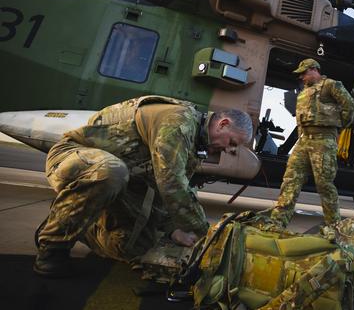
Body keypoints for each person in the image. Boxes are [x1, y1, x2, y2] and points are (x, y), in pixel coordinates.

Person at [34, 95, 253, 277]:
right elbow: (171, 185)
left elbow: (164, 193)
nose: (230, 150)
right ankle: (52, 248)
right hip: (73, 158)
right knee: (110, 171)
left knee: (136, 246)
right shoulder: (179, 122)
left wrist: (172, 229)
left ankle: (75, 220)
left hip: (120, 181)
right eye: (232, 143)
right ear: (223, 124)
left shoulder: (195, 147)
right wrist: (208, 237)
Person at [270, 59, 354, 232]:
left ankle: (334, 226)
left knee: (324, 184)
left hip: (323, 139)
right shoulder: (303, 93)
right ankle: (277, 223)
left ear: (314, 69)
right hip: (304, 140)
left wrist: (336, 128)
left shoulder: (331, 85)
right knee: (290, 180)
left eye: (303, 73)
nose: (301, 77)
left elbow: (350, 107)